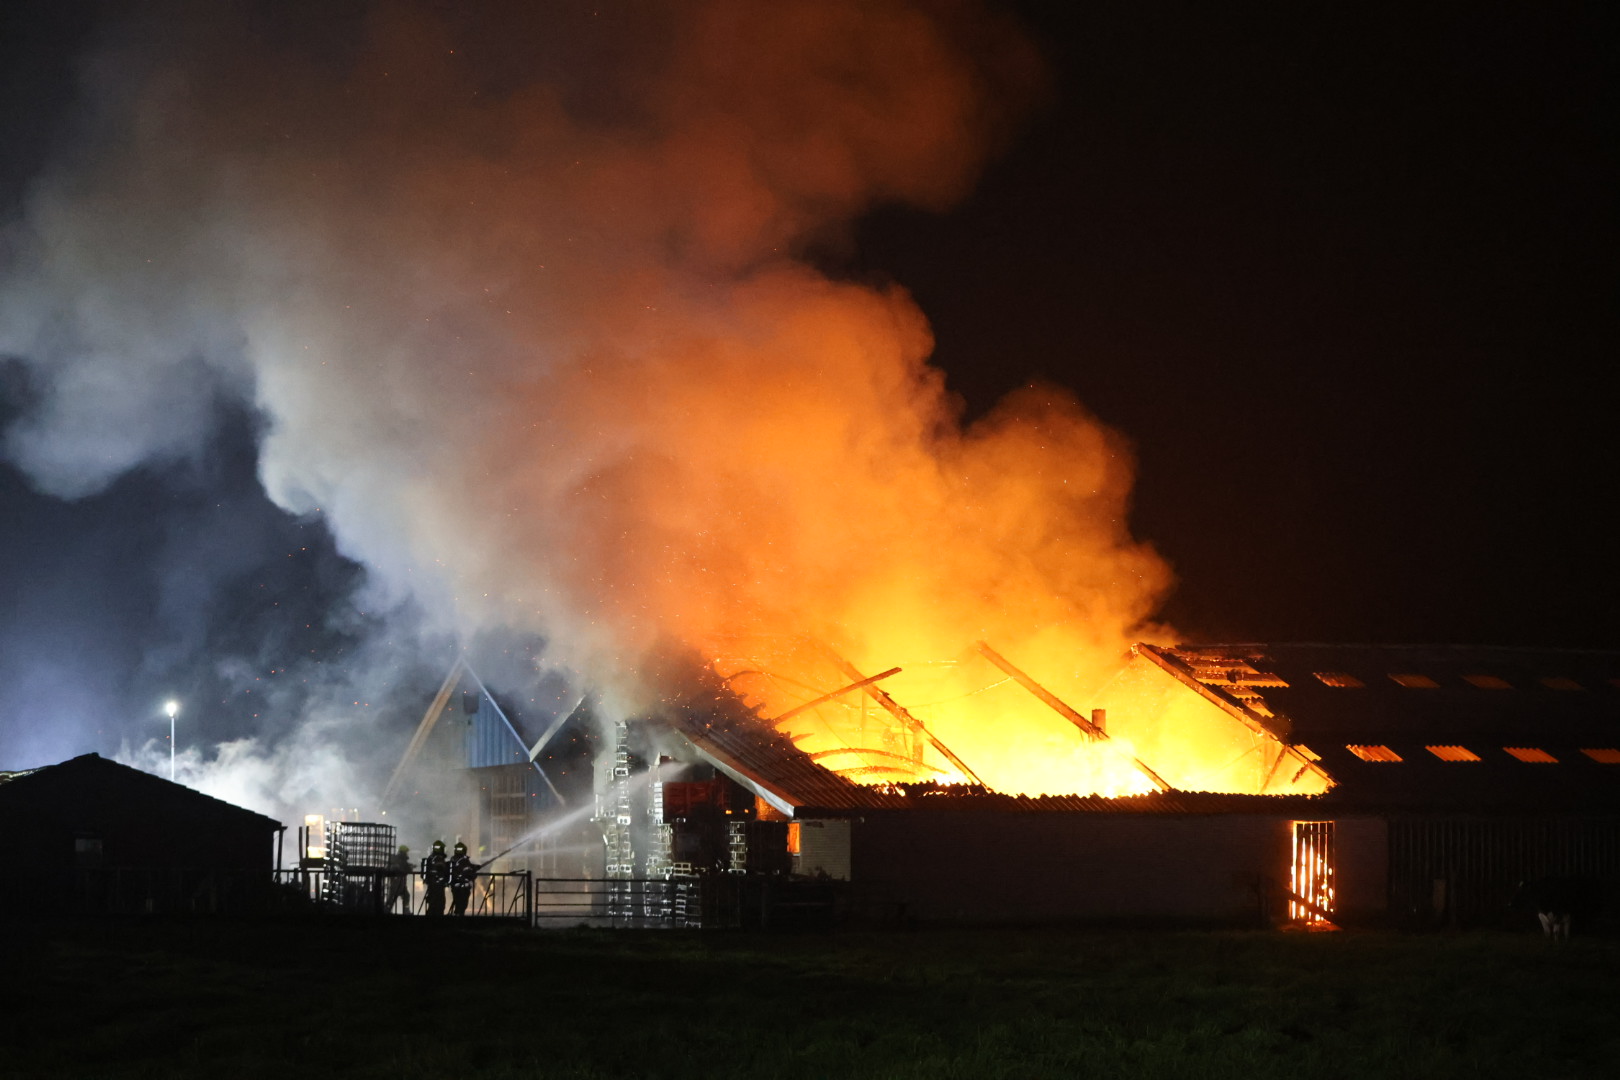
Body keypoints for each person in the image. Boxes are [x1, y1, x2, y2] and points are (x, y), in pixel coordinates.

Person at [449, 841, 481, 916]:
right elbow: (468, 871)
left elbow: (465, 868)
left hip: (455, 886)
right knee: (462, 905)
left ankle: (457, 914)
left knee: (458, 903)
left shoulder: (453, 860)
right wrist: (474, 870)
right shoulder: (464, 860)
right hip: (463, 887)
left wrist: (474, 867)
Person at [421, 839, 450, 916]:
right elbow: (442, 870)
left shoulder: (431, 858)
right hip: (438, 885)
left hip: (432, 884)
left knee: (432, 904)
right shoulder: (439, 859)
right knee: (439, 904)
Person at [385, 844, 412, 914]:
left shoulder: (400, 860)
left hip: (399, 884)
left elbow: (407, 869)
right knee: (392, 899)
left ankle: (387, 910)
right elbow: (406, 869)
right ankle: (387, 911)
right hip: (396, 883)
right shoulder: (399, 860)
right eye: (406, 852)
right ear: (403, 852)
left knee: (405, 896)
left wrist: (409, 867)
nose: (407, 854)